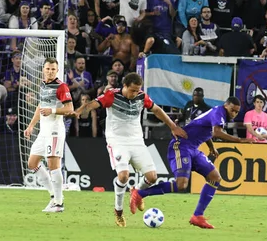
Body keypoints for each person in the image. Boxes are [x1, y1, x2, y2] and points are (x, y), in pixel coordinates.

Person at [75, 73, 187, 227]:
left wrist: (172, 126)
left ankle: (137, 194)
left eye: (137, 90)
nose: (135, 94)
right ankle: (118, 211)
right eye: (132, 90)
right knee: (123, 176)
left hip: (137, 142)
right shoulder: (111, 95)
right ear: (125, 86)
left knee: (152, 177)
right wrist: (83, 110)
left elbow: (157, 110)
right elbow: (92, 104)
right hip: (117, 141)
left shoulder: (142, 96)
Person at [129, 97, 251, 229]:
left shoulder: (218, 114)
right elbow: (216, 132)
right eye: (232, 110)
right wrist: (238, 140)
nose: (234, 114)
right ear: (226, 106)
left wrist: (210, 146)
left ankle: (197, 216)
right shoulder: (219, 112)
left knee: (215, 178)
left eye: (237, 112)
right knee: (181, 185)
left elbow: (206, 128)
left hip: (193, 148)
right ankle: (139, 193)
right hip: (181, 146)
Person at [23, 58, 74, 213]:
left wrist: (52, 111)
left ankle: (59, 203)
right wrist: (31, 125)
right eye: (48, 69)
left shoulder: (61, 86)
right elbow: (41, 106)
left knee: (53, 166)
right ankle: (53, 195)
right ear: (43, 70)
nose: (50, 71)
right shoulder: (43, 85)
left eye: (53, 69)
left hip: (54, 131)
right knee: (32, 163)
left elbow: (70, 108)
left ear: (57, 71)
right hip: (43, 132)